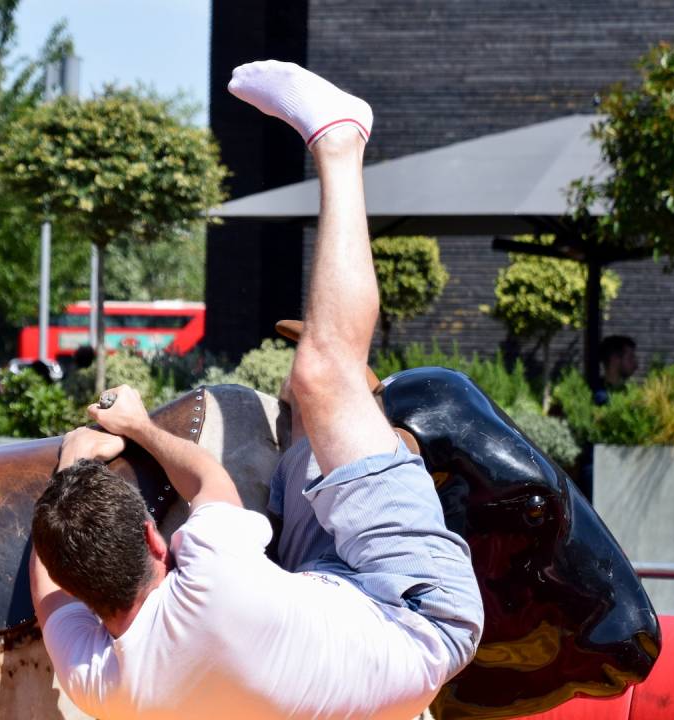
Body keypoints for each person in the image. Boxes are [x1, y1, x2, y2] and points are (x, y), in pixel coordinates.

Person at [29, 61, 482, 719]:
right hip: (422, 615)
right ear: (161, 543)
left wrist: (63, 488)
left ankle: (345, 418)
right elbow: (207, 479)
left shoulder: (99, 681)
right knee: (319, 380)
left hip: (329, 598)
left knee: (303, 443)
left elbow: (50, 604)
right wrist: (130, 429)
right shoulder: (209, 571)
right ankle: (341, 139)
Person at [593, 335, 637, 405]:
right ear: (615, 359)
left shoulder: (630, 393)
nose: (635, 364)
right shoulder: (594, 393)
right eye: (630, 358)